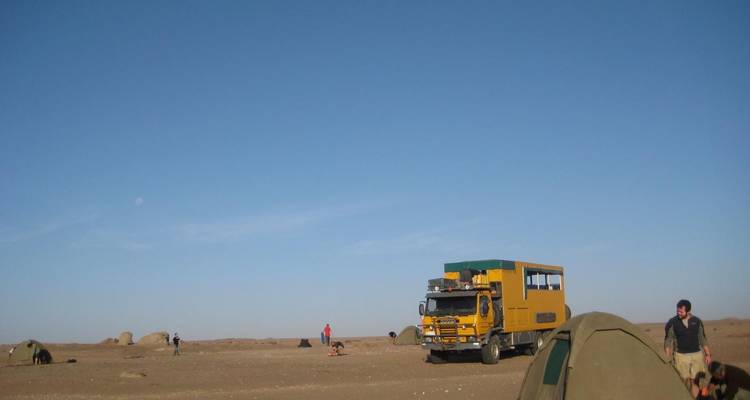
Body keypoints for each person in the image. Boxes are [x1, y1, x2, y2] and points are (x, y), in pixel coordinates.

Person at [665, 299, 712, 389]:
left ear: (688, 311)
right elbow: (668, 340)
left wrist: (708, 355)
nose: (678, 313)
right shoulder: (672, 322)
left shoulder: (697, 321)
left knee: (696, 382)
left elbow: (703, 339)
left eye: (681, 311)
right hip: (680, 356)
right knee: (682, 382)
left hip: (696, 355)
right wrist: (667, 357)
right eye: (677, 311)